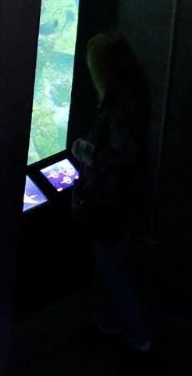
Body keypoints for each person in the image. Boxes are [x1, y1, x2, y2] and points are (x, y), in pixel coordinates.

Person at [71, 30, 151, 353]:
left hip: (111, 201)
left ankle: (138, 340)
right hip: (120, 199)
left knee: (112, 270)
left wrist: (87, 151)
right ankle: (110, 324)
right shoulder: (132, 95)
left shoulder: (119, 105)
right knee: (112, 267)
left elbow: (123, 155)